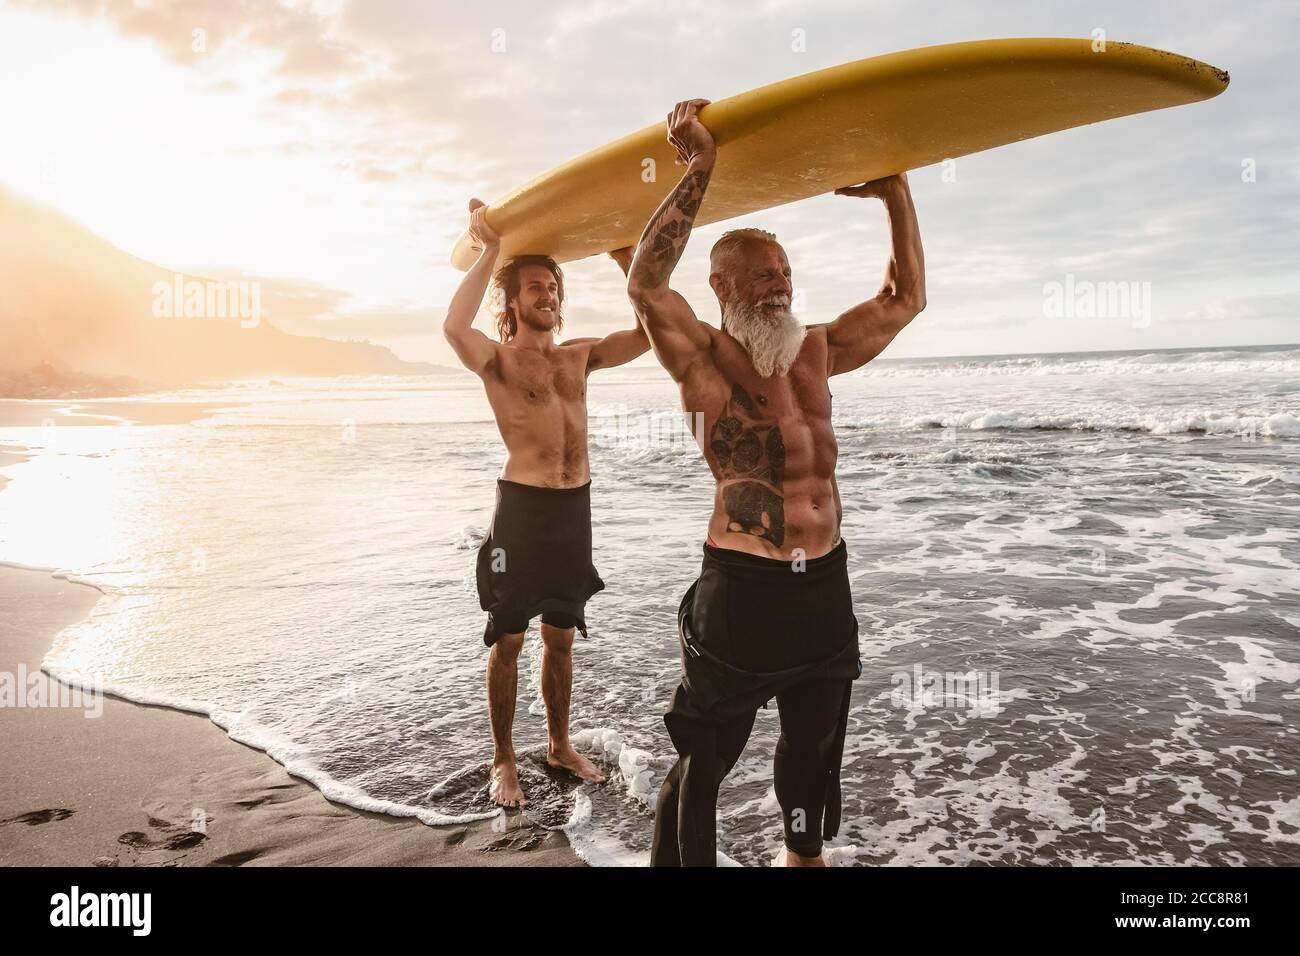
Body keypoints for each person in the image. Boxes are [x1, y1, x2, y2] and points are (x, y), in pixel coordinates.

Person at [626, 100, 926, 866]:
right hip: (742, 593)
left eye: (786, 272)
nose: (781, 286)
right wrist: (700, 168)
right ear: (723, 285)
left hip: (823, 584)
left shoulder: (818, 351)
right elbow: (647, 282)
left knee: (812, 740)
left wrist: (895, 193)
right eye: (763, 276)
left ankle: (803, 857)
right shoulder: (702, 360)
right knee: (707, 756)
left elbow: (904, 299)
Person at [444, 199, 650, 807]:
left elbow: (649, 333)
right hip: (522, 515)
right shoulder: (497, 361)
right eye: (535, 287)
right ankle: (504, 758)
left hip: (573, 512)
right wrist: (490, 253)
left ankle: (559, 743)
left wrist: (626, 260)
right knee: (508, 638)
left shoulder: (579, 355)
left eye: (554, 286)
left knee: (561, 637)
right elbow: (454, 327)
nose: (548, 294)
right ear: (511, 301)